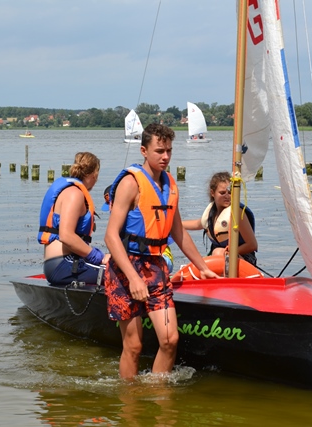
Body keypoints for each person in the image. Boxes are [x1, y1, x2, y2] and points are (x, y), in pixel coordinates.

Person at [104, 123, 219, 379]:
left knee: (169, 340)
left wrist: (203, 268)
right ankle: (130, 399)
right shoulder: (130, 183)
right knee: (134, 346)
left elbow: (178, 232)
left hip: (156, 267)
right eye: (159, 151)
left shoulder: (170, 184)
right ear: (144, 151)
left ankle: (158, 396)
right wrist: (133, 279)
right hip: (125, 269)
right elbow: (110, 236)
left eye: (169, 150)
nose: (165, 156)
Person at [38, 152, 110, 286]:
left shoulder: (70, 190)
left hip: (63, 263)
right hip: (63, 265)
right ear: (95, 174)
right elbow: (66, 236)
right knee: (122, 276)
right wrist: (98, 257)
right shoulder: (74, 194)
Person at [182, 171, 258, 265]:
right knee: (211, 255)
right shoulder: (211, 212)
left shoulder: (237, 213)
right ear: (212, 193)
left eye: (230, 192)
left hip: (244, 259)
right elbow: (197, 224)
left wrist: (230, 251)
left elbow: (252, 245)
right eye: (222, 193)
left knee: (218, 252)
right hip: (220, 256)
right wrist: (173, 223)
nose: (227, 196)